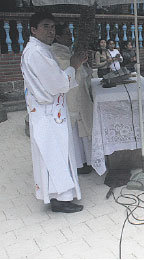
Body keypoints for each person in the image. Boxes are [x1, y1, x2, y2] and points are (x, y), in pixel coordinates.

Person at [21, 12, 87, 213]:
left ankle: (61, 197)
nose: (51, 31)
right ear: (33, 29)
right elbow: (59, 83)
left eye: (53, 27)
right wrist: (74, 66)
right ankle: (61, 200)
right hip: (48, 113)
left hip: (50, 111)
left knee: (55, 154)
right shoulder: (36, 53)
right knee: (55, 155)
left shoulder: (40, 49)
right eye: (46, 26)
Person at [51, 23, 94, 175]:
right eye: (67, 34)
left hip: (77, 96)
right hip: (70, 100)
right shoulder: (56, 52)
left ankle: (88, 161)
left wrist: (81, 62)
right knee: (76, 133)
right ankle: (78, 164)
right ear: (58, 37)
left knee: (82, 131)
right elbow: (67, 70)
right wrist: (78, 64)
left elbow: (79, 68)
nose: (71, 37)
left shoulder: (66, 50)